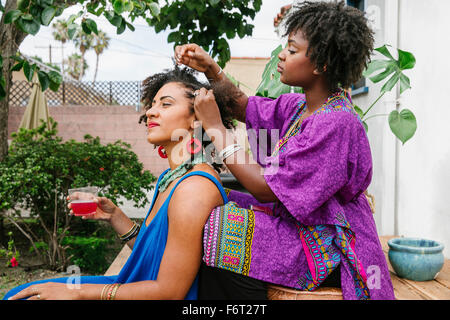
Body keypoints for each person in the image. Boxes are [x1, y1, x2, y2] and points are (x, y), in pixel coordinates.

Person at [175, 1, 395, 300]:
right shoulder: (300, 107)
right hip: (299, 225)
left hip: (331, 244)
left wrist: (215, 129)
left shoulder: (337, 123)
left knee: (222, 231)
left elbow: (266, 188)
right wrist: (211, 68)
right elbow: (241, 104)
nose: (281, 54)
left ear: (321, 65)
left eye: (292, 50)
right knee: (207, 204)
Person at [3, 67, 234, 300]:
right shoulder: (171, 178)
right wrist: (116, 216)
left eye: (165, 104)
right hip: (134, 285)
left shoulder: (194, 188)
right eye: (153, 104)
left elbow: (169, 292)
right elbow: (153, 257)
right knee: (19, 294)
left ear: (196, 116)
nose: (152, 112)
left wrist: (78, 292)